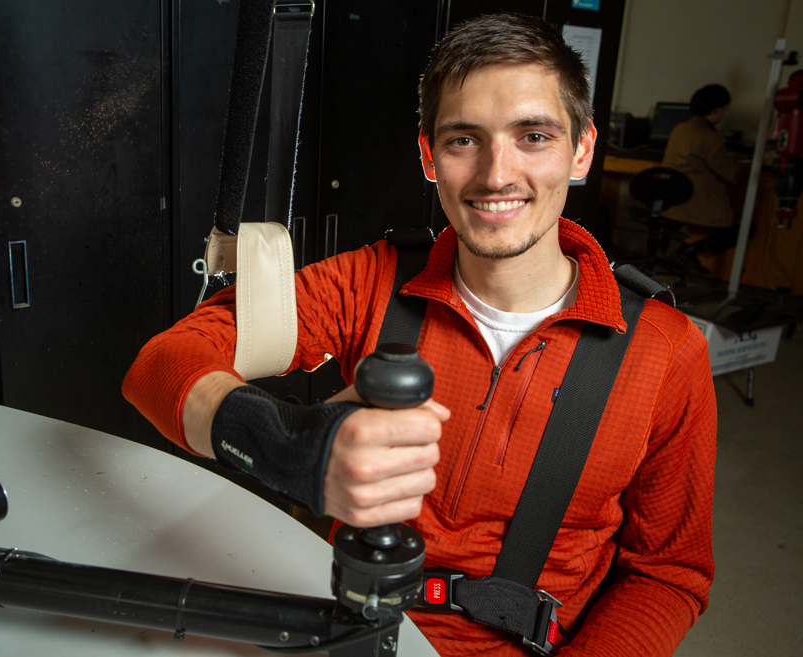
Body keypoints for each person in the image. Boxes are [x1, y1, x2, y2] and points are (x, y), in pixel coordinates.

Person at [124, 13, 716, 656]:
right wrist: (277, 440)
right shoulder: (369, 284)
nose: (497, 174)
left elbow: (667, 574)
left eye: (534, 136)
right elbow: (162, 362)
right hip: (342, 625)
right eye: (465, 140)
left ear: (581, 150)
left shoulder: (664, 349)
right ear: (429, 157)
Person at [662, 84, 744, 273]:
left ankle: (669, 253)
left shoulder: (679, 129)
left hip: (671, 203)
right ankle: (692, 250)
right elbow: (732, 175)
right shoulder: (711, 138)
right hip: (695, 205)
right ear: (717, 110)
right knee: (745, 227)